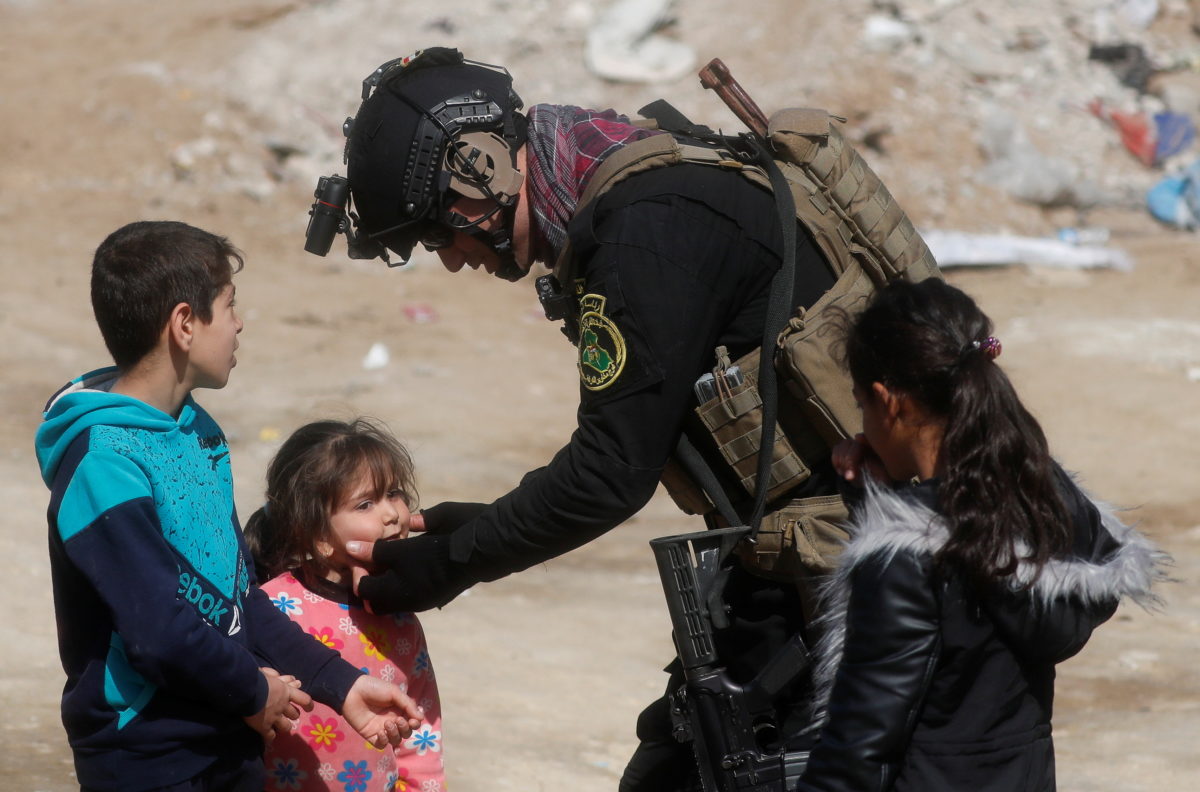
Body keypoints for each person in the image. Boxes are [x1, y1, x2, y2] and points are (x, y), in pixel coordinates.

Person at [308, 46, 908, 789]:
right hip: (805, 560)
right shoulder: (645, 189)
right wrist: (482, 525)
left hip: (866, 573)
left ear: (480, 166)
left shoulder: (644, 232)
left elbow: (607, 474)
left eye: (440, 233)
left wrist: (449, 566)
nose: (455, 260)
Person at [35, 221, 423, 792]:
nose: (239, 323)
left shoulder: (198, 433)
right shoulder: (103, 465)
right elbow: (158, 632)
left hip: (228, 733)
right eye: (229, 305)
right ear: (185, 324)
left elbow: (235, 601)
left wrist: (340, 683)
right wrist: (254, 688)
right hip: (147, 753)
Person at [793, 279, 1166, 791]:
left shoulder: (905, 559)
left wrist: (885, 514)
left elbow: (859, 748)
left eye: (862, 405)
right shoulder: (1041, 503)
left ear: (888, 402)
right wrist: (881, 497)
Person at [244, 418, 445, 792]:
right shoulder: (270, 611)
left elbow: (422, 725)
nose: (391, 514)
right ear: (317, 533)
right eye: (366, 503)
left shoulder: (400, 618)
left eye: (394, 493)